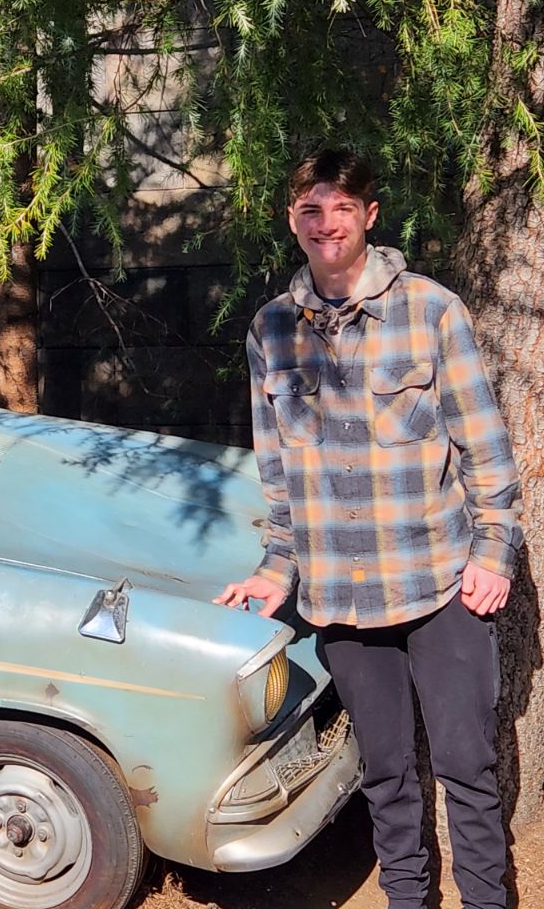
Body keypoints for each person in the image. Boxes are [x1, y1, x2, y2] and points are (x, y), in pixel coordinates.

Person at [215, 148, 521, 909]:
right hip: (340, 596)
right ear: (293, 220)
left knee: (467, 769)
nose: (327, 224)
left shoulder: (432, 310)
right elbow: (278, 471)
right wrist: (276, 568)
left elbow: (484, 445)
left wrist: (493, 551)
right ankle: (407, 900)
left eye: (342, 208)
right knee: (384, 773)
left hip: (440, 585)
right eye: (311, 210)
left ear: (370, 215)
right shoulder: (269, 330)